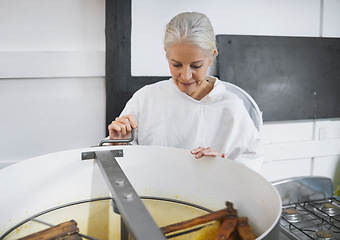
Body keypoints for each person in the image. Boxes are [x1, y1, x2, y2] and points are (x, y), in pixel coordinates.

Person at [108, 12, 262, 171]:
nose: (186, 76)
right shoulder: (145, 99)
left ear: (211, 56)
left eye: (196, 66)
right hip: (152, 193)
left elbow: (251, 164)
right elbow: (120, 166)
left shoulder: (232, 108)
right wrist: (119, 145)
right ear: (167, 54)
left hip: (211, 194)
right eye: (176, 65)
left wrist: (222, 167)